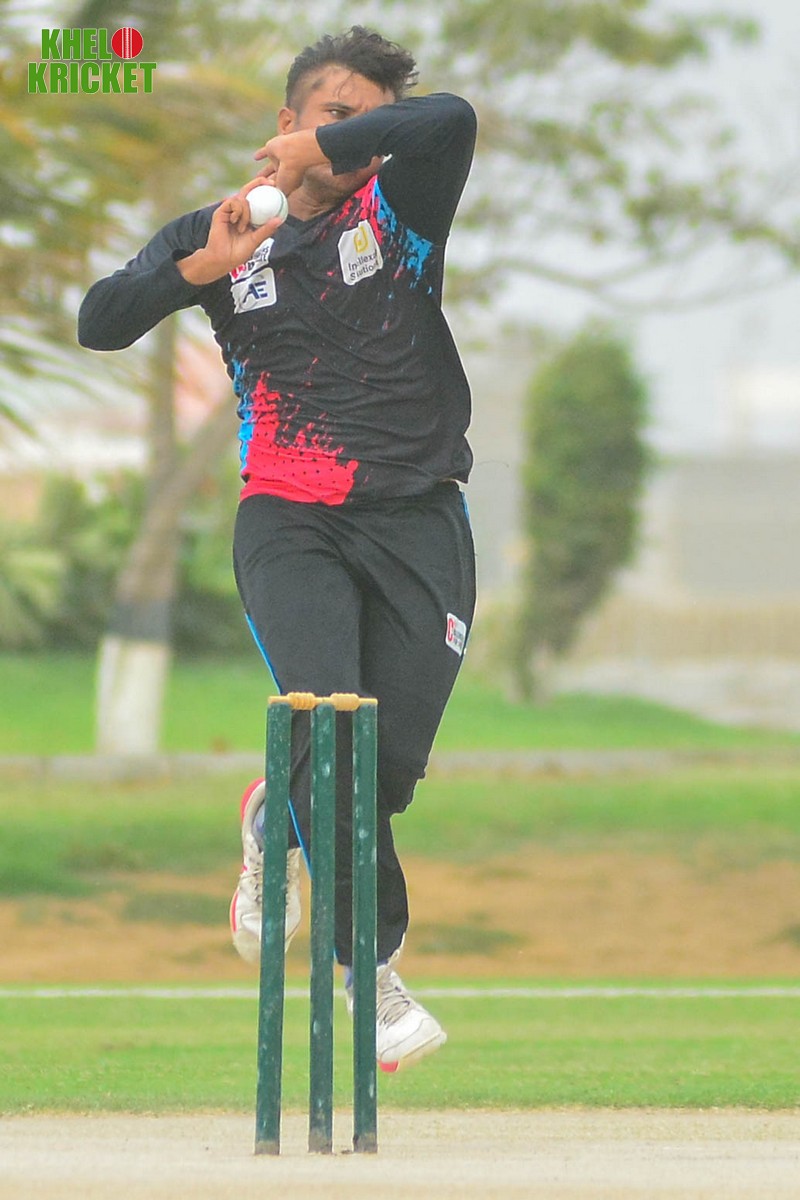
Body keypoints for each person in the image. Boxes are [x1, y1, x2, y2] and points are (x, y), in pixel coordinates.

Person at [78, 26, 477, 1072]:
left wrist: (336, 147)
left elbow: (450, 120)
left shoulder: (397, 209)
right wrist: (196, 270)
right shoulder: (219, 230)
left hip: (419, 520)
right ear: (283, 119)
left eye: (367, 125)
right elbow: (98, 321)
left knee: (384, 772)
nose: (351, 139)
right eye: (331, 115)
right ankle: (370, 972)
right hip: (288, 518)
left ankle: (273, 821)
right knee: (333, 737)